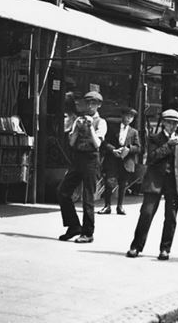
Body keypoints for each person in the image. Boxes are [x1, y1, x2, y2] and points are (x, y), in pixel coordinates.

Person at [126, 109, 178, 261]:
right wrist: (168, 145)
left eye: (175, 123)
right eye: (169, 122)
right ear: (164, 123)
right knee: (146, 214)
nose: (172, 126)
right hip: (155, 181)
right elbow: (151, 158)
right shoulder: (154, 139)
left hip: (173, 184)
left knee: (171, 218)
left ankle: (165, 249)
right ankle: (136, 246)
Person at [57, 90, 107, 243]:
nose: (90, 106)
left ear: (98, 105)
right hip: (77, 158)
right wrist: (77, 129)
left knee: (88, 196)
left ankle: (88, 232)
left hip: (91, 159)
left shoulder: (101, 122)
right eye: (88, 103)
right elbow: (71, 143)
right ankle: (73, 226)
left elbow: (97, 144)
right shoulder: (78, 119)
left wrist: (90, 127)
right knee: (63, 191)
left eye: (94, 103)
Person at [99, 106, 141, 215]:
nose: (128, 119)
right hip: (112, 159)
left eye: (131, 117)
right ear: (122, 116)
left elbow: (139, 147)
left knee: (123, 184)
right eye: (127, 116)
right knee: (109, 182)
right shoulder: (113, 128)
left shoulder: (134, 132)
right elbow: (104, 143)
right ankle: (107, 206)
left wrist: (129, 149)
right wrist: (113, 150)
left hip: (126, 161)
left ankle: (120, 207)